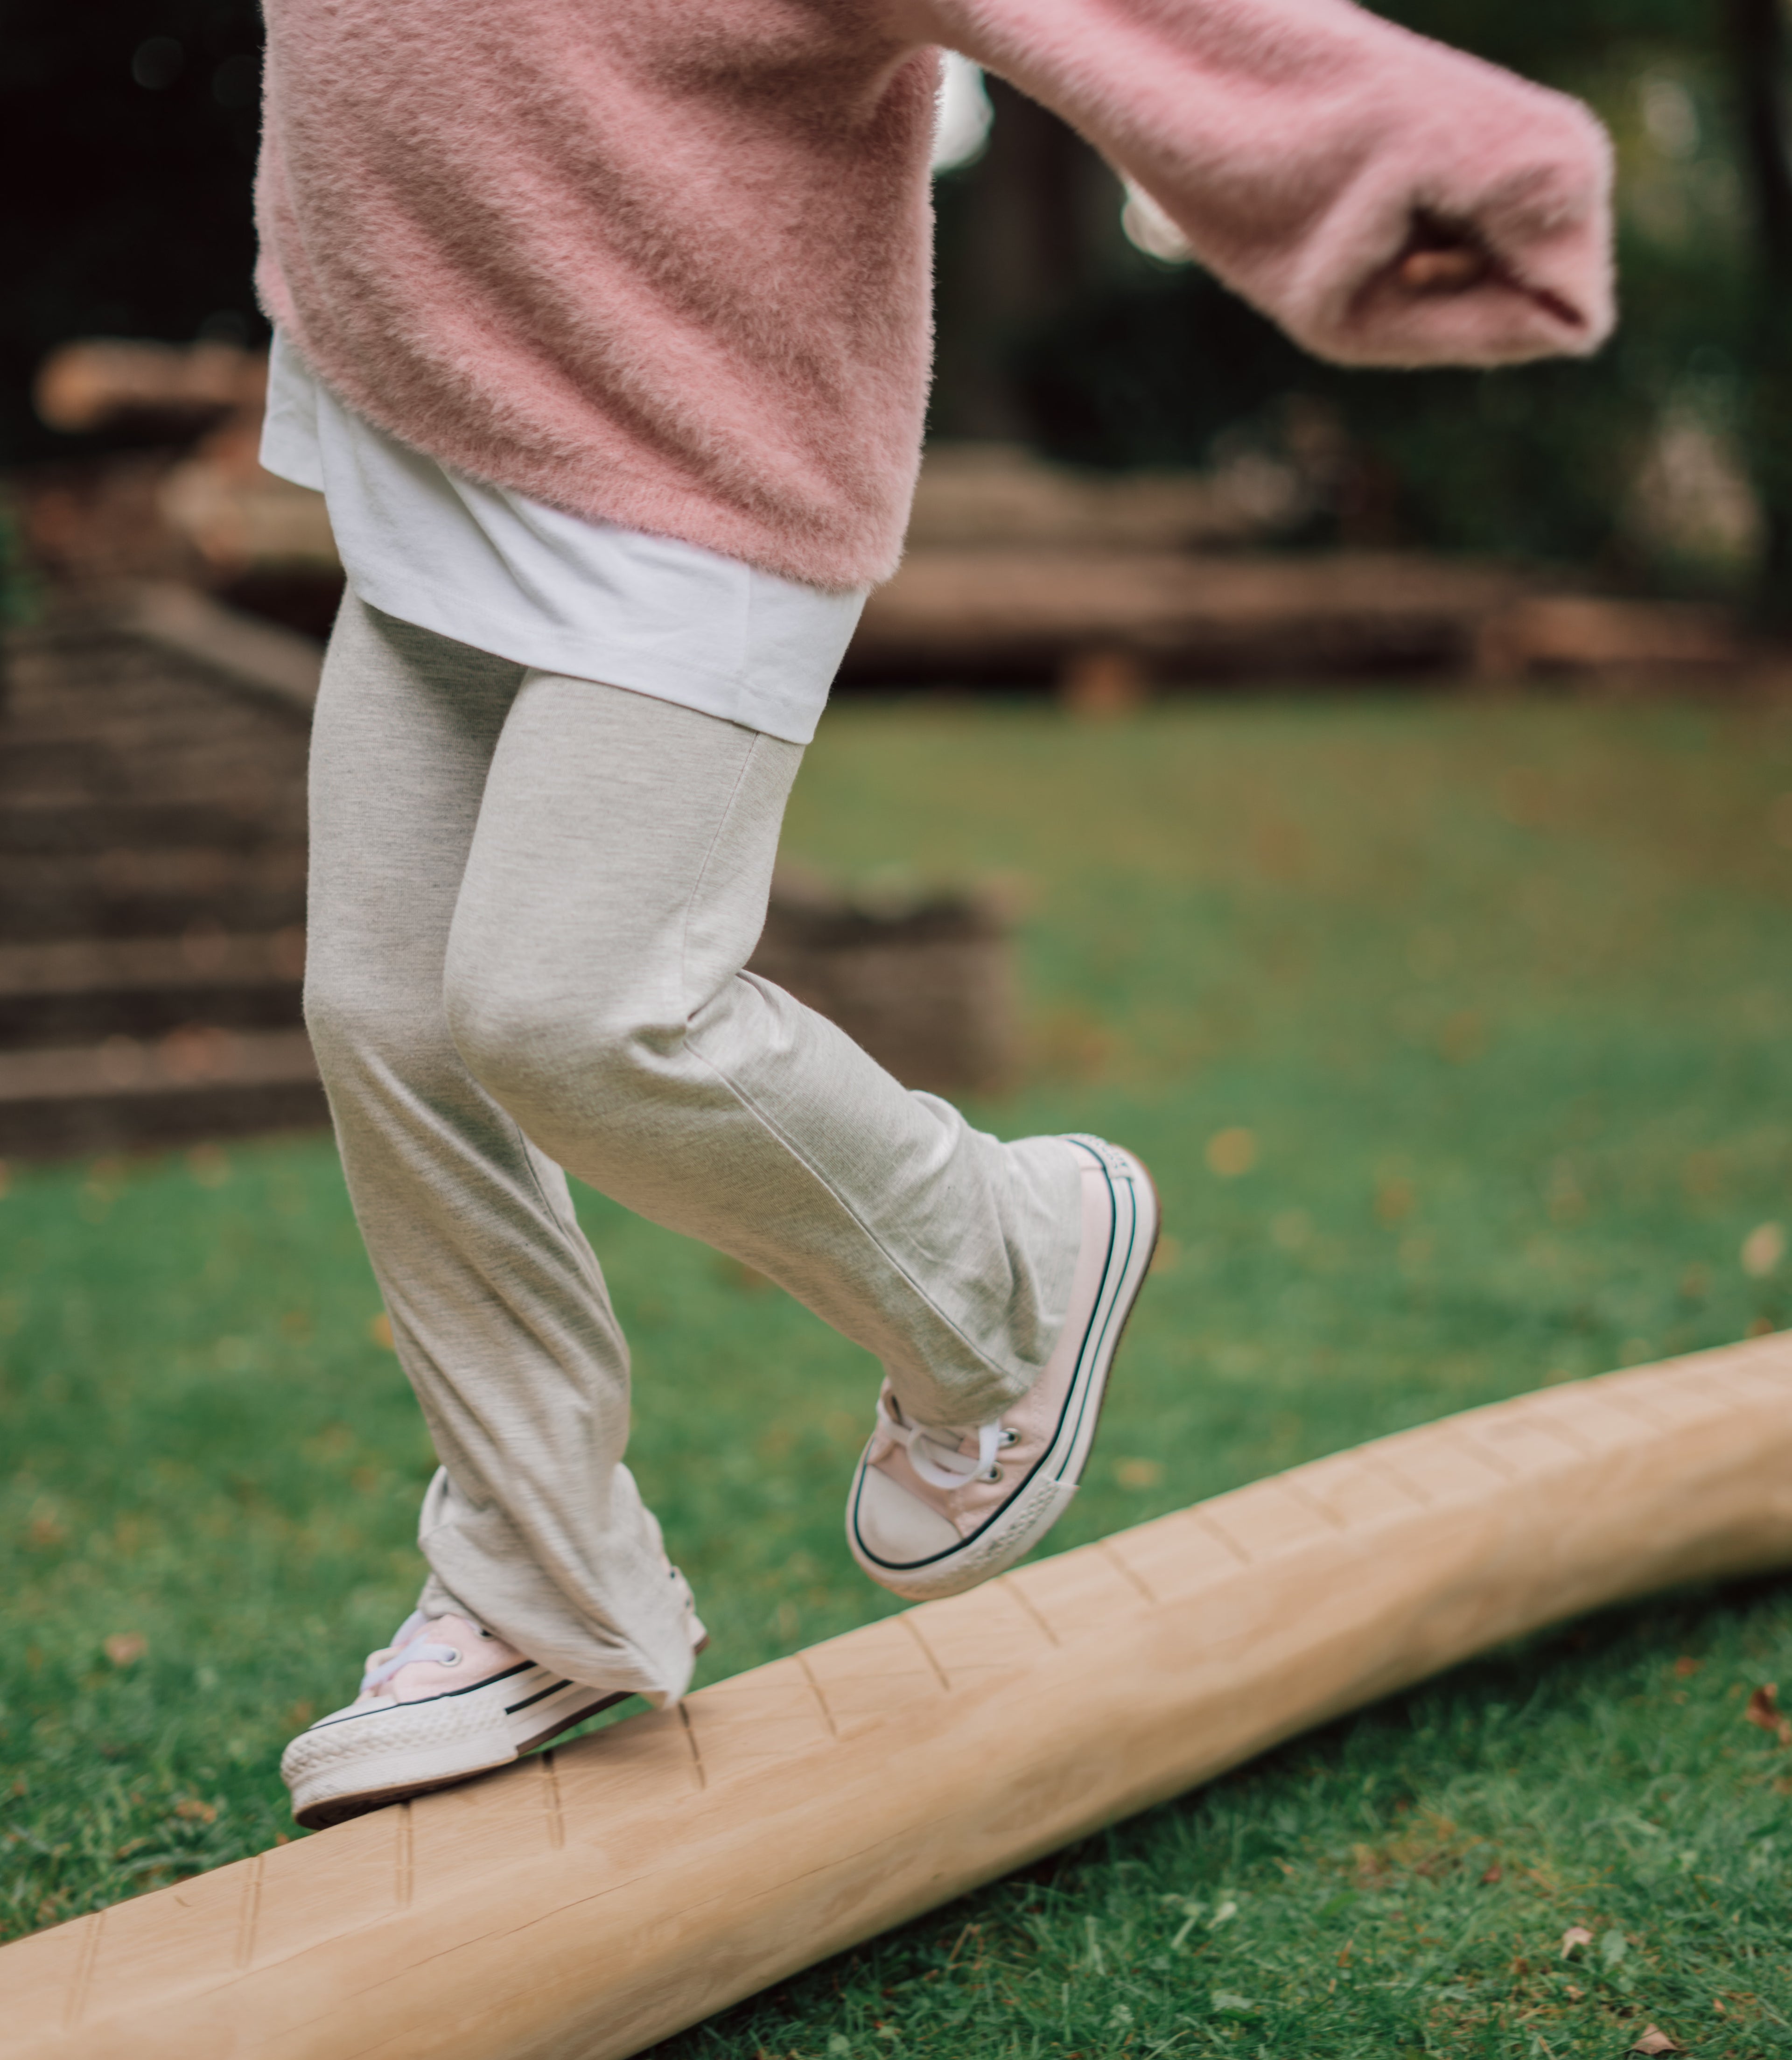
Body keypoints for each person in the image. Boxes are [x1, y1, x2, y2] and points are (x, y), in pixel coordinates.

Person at [257, 0, 1613, 1828]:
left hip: (688, 453)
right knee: (388, 1018)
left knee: (571, 1006)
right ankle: (535, 1581)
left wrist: (1405, 154)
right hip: (424, 421)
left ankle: (1003, 1260)